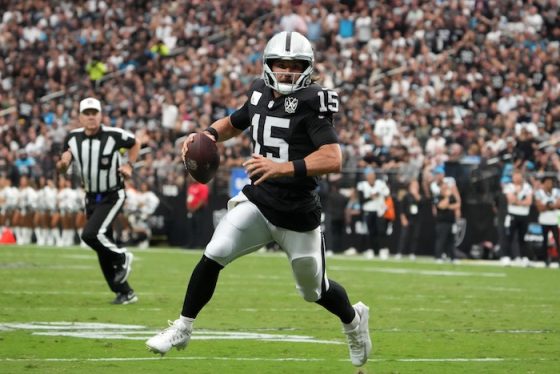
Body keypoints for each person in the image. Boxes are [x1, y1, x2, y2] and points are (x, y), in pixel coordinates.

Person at [146, 31, 372, 367]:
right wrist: (207, 134)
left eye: (294, 66)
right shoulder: (258, 93)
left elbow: (333, 158)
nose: (286, 72)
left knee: (315, 291)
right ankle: (183, 326)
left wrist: (283, 168)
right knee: (215, 252)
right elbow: (235, 123)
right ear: (268, 66)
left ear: (307, 68)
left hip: (298, 214)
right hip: (258, 201)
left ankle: (354, 322)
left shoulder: (313, 101)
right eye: (279, 64)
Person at [56, 97, 141, 305]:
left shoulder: (114, 135)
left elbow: (135, 142)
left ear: (101, 115)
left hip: (113, 194)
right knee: (103, 249)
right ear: (80, 117)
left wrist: (129, 165)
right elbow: (66, 157)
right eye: (87, 113)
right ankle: (125, 292)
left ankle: (122, 257)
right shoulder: (73, 138)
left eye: (95, 112)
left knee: (91, 235)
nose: (91, 116)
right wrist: (63, 164)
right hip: (91, 197)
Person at [534, 176, 560, 267]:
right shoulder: (539, 193)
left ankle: (558, 259)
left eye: (551, 182)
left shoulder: (557, 192)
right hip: (544, 220)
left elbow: (558, 205)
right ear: (543, 184)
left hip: (554, 220)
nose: (549, 184)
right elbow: (540, 208)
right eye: (547, 182)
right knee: (544, 241)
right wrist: (551, 206)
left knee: (558, 240)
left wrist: (548, 206)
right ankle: (545, 259)